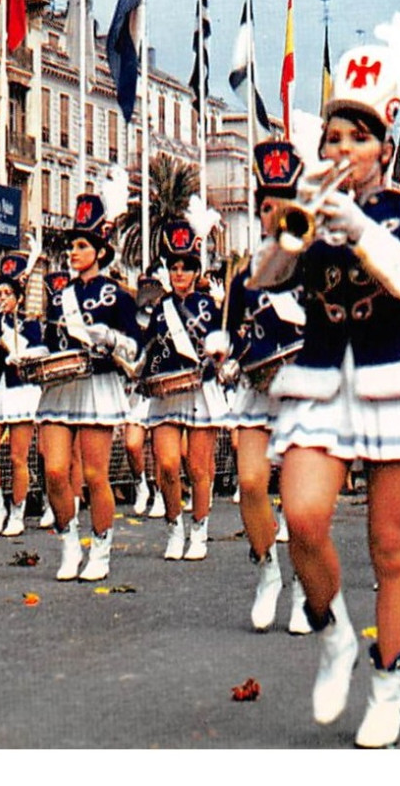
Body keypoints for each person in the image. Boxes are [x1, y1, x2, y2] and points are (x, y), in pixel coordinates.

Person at [251, 19, 400, 747]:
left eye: (356, 139)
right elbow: (261, 280)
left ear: (383, 147)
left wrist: (360, 226)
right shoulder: (307, 210)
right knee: (302, 517)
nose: (342, 151)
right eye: (332, 139)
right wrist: (294, 224)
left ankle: (388, 683)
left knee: (389, 548)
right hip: (318, 376)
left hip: (391, 379)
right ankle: (333, 630)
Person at [213, 140, 308, 631]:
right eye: (268, 206)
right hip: (257, 387)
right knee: (250, 481)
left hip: (303, 386)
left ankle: (304, 587)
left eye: (283, 204)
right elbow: (228, 328)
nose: (274, 213)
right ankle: (268, 570)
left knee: (298, 499)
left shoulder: (314, 261)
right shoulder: (243, 271)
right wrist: (220, 347)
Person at [36, 179, 139, 583]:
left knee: (96, 475)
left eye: (81, 246)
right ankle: (68, 543)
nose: (73, 252)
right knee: (56, 471)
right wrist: (33, 356)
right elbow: (50, 343)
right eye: (71, 246)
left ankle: (101, 547)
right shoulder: (60, 296)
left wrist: (111, 338)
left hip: (97, 385)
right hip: (62, 387)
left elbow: (135, 348)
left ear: (99, 250)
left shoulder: (118, 295)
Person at [142, 217, 229, 562]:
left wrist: (221, 353)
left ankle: (199, 529)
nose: (179, 274)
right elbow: (145, 349)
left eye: (186, 268)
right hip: (166, 391)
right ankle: (174, 526)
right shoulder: (158, 308)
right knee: (165, 464)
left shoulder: (211, 306)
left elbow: (225, 344)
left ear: (196, 271)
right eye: (174, 267)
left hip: (200, 391)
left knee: (198, 467)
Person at [0, 251, 44, 538]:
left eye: (7, 293)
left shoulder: (28, 323)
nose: (2, 297)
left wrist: (22, 353)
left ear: (18, 297)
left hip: (19, 392)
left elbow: (39, 352)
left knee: (18, 457)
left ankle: (18, 509)